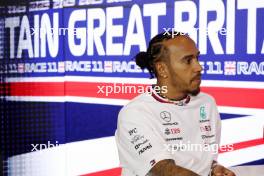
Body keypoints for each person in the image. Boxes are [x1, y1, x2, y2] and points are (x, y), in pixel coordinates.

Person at [115, 31, 236, 176]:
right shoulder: (135, 113)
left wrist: (213, 169)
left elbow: (201, 160)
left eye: (197, 58)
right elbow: (165, 171)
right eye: (188, 60)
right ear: (162, 69)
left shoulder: (207, 103)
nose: (199, 67)